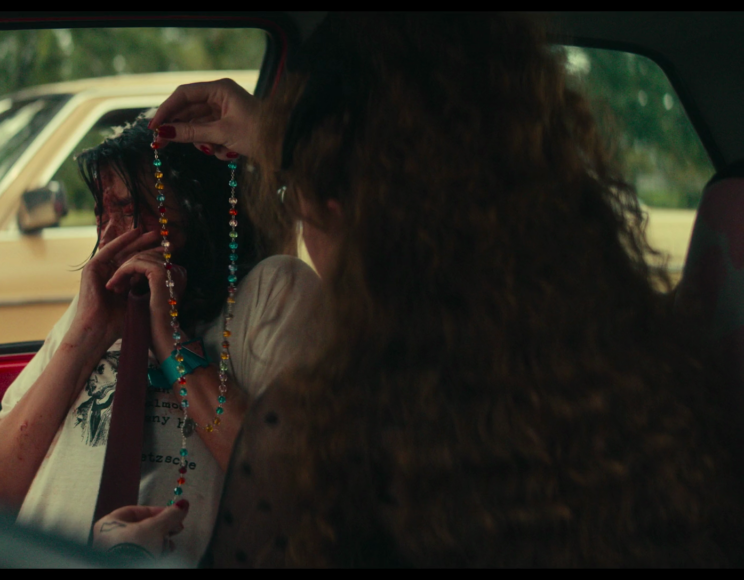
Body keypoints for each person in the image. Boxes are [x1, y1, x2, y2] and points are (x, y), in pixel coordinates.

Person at [138, 13, 744, 566]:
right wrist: (287, 142)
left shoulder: (325, 438)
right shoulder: (662, 385)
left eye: (291, 194)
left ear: (340, 208)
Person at [0, 118, 320, 564]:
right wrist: (88, 331)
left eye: (130, 209)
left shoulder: (269, 292)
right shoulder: (93, 313)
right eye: (102, 212)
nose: (111, 235)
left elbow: (295, 487)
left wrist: (172, 342)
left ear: (196, 209)